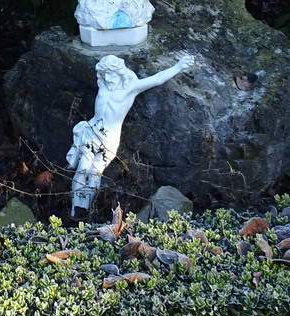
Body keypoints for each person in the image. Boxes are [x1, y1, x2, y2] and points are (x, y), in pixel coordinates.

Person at [67, 53, 195, 215]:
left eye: (110, 74)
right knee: (82, 169)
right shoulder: (104, 84)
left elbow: (157, 79)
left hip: (109, 139)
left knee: (94, 173)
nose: (107, 78)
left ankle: (86, 210)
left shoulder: (130, 88)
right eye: (104, 75)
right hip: (91, 132)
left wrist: (179, 66)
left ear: (119, 73)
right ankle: (75, 210)